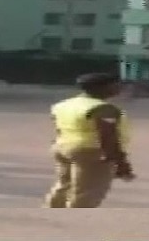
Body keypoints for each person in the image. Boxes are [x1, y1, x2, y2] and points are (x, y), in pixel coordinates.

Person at [44, 72, 135, 208]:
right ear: (104, 87)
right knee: (87, 193)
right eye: (117, 85)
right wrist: (121, 163)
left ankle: (52, 215)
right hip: (91, 151)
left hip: (63, 147)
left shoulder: (63, 104)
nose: (120, 89)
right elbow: (108, 136)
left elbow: (59, 128)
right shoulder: (103, 109)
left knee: (64, 186)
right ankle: (75, 225)